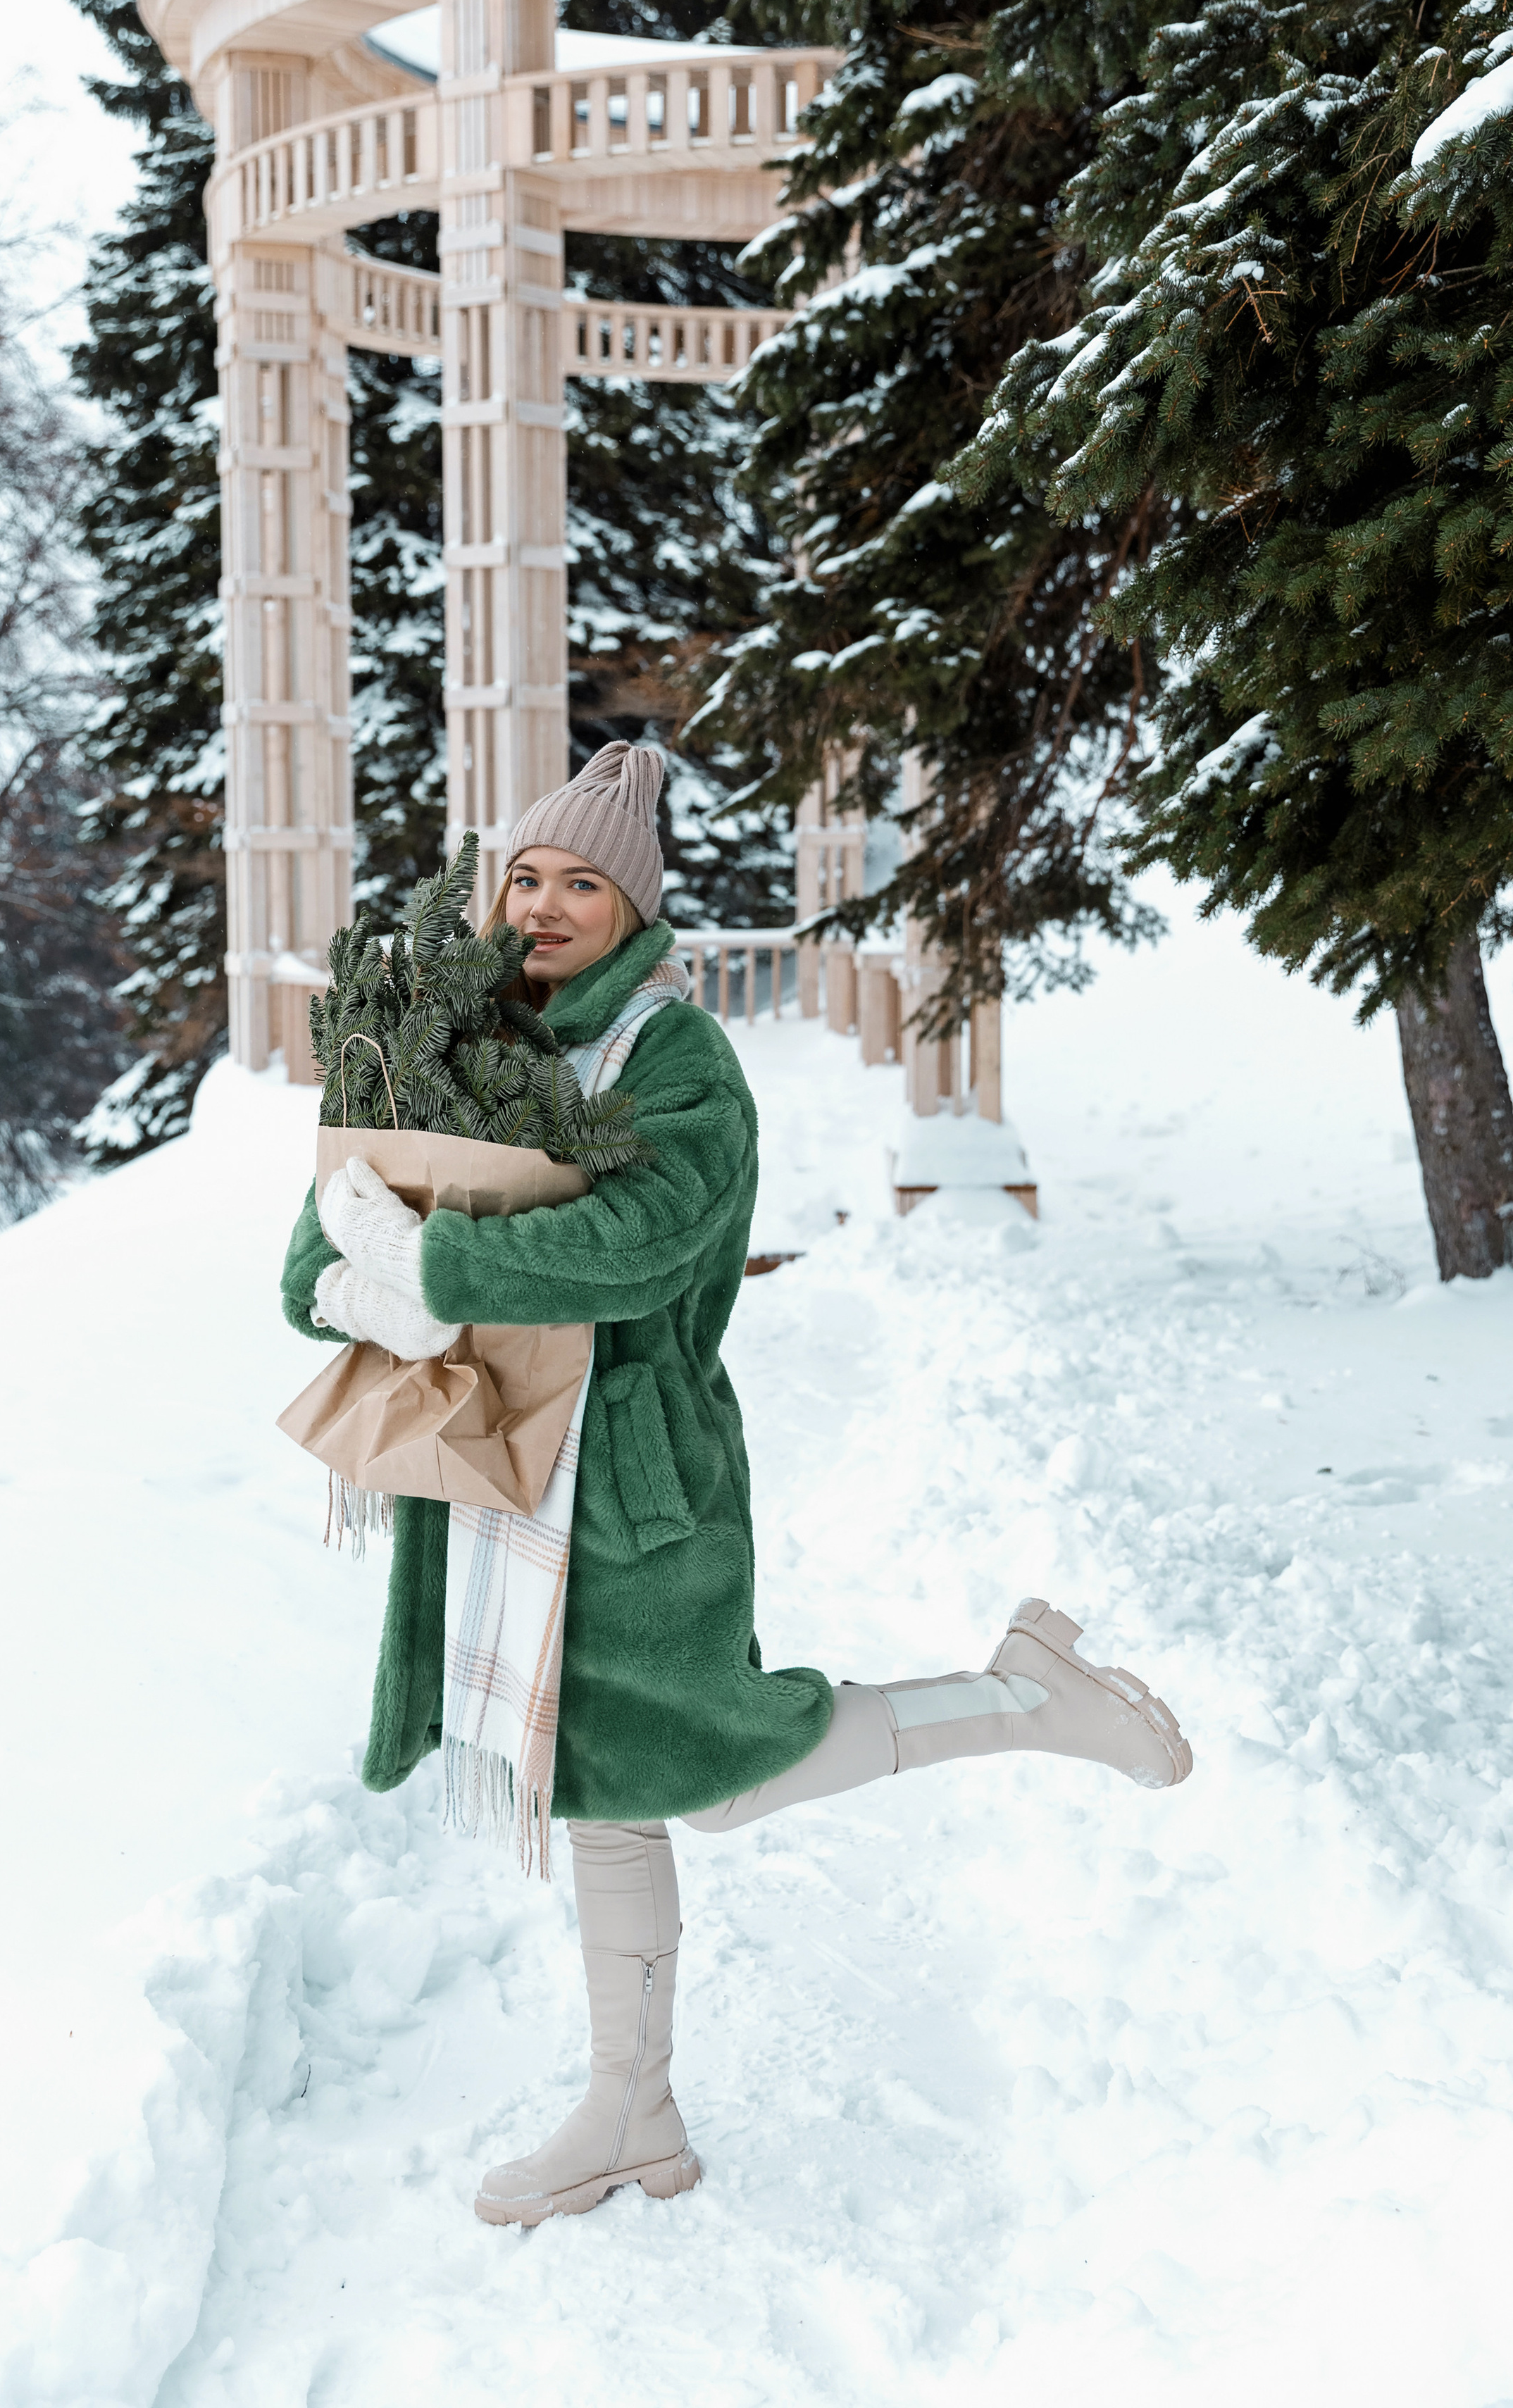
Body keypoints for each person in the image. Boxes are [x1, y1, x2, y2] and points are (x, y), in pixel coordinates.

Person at [281, 742, 1192, 2231]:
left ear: (633, 909)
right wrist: (350, 1284)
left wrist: (431, 1264)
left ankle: (1025, 1705)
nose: (547, 903)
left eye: (583, 881)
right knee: (599, 1797)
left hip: (633, 1473)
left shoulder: (673, 1061)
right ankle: (629, 2107)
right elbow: (321, 1236)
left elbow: (635, 1243)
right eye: (527, 874)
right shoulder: (442, 1049)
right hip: (496, 1467)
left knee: (711, 1776)